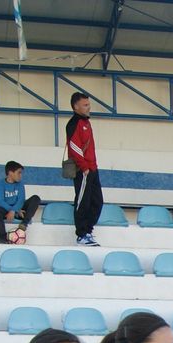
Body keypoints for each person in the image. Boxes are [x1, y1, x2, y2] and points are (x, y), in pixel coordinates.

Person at [66, 91, 103, 246]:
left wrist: (92, 166)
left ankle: (88, 231)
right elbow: (74, 147)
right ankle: (81, 234)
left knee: (97, 201)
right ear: (76, 107)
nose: (89, 107)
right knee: (83, 201)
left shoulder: (86, 122)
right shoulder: (74, 123)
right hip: (83, 170)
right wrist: (84, 167)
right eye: (85, 105)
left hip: (93, 169)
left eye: (89, 104)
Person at [0, 160, 41, 245]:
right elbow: (0, 201)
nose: (20, 175)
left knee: (36, 198)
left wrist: (15, 210)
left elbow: (21, 200)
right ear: (10, 173)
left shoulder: (20, 184)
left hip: (19, 210)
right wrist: (12, 210)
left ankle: (24, 224)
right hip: (7, 210)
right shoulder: (0, 183)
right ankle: (2, 239)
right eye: (19, 173)